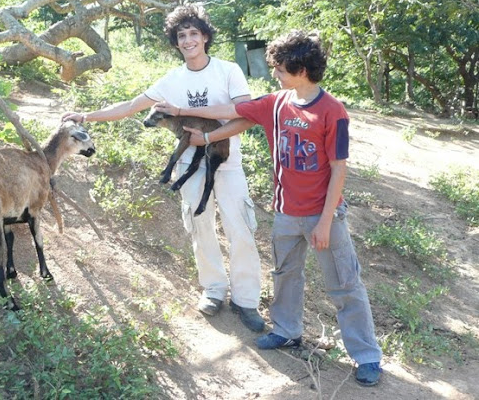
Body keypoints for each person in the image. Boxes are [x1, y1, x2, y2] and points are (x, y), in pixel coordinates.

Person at [155, 30, 382, 387]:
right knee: (285, 277)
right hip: (286, 212)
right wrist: (183, 111)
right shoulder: (277, 102)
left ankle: (366, 356)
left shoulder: (332, 111)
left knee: (344, 285)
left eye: (279, 66)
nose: (273, 71)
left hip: (325, 215)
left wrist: (325, 222)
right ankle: (287, 331)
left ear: (301, 68)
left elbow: (339, 169)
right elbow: (230, 111)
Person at [62, 4, 265, 332]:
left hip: (225, 161)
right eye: (181, 35)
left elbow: (244, 113)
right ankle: (213, 289)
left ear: (205, 37)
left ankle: (246, 300)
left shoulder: (228, 71)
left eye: (193, 34)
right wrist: (84, 116)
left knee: (240, 228)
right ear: (175, 41)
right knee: (200, 225)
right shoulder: (172, 78)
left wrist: (208, 135)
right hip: (189, 162)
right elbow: (130, 106)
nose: (188, 40)